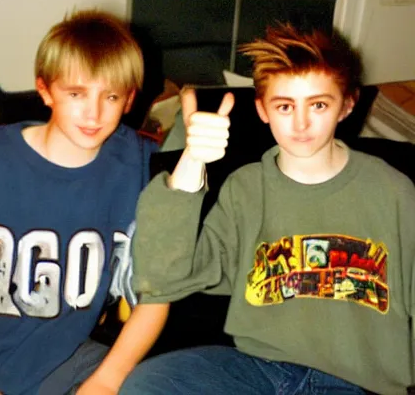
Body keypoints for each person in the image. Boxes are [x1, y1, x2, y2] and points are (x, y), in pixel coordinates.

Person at [120, 24, 415, 395]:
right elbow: (166, 278)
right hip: (258, 370)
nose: (301, 123)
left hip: (355, 381)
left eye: (319, 104)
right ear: (262, 110)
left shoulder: (393, 192)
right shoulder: (245, 189)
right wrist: (191, 162)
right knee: (150, 384)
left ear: (347, 105)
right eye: (285, 106)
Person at [0, 9, 169, 395]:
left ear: (129, 100)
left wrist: (107, 382)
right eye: (75, 94)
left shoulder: (142, 165)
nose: (93, 113)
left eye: (110, 96)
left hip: (65, 357)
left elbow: (161, 291)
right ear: (44, 90)